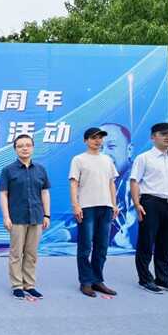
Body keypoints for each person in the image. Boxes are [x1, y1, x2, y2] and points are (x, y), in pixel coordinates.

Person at [130, 122, 168, 294]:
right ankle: (145, 279)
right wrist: (137, 204)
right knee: (146, 242)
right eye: (164, 134)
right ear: (153, 137)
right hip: (151, 203)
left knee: (167, 243)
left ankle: (163, 278)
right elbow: (134, 181)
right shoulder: (144, 158)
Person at [0, 134, 51, 299]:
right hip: (16, 218)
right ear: (15, 149)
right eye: (20, 146)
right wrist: (6, 217)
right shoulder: (8, 170)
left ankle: (29, 285)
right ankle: (17, 286)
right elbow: (3, 194)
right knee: (16, 254)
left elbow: (45, 193)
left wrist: (47, 215)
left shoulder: (40, 170)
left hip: (36, 216)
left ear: (33, 148)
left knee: (31, 253)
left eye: (28, 145)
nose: (24, 148)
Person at [69, 127, 120, 298]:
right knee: (85, 247)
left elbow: (111, 183)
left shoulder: (107, 160)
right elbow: (73, 183)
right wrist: (76, 205)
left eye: (100, 137)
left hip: (106, 207)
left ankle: (97, 280)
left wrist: (114, 204)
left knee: (102, 246)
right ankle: (85, 282)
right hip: (87, 207)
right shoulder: (78, 159)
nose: (97, 141)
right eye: (93, 138)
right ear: (86, 141)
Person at [100, 122, 137, 249]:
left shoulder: (133, 181)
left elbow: (129, 237)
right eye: (100, 148)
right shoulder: (108, 180)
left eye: (111, 146)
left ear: (129, 150)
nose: (104, 154)